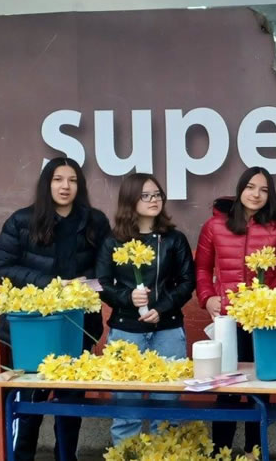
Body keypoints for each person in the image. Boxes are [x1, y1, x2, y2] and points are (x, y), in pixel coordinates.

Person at [0, 157, 110, 461]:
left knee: (70, 408)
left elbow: (106, 272)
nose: (65, 186)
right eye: (58, 179)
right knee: (27, 409)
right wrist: (52, 284)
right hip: (31, 333)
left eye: (72, 180)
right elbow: (0, 266)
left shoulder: (95, 222)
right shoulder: (22, 221)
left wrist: (89, 284)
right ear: (47, 183)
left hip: (77, 329)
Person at [195, 167, 276, 456]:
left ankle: (254, 452)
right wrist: (207, 298)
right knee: (226, 389)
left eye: (264, 190)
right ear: (240, 189)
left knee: (258, 391)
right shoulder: (214, 226)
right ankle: (221, 452)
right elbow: (202, 268)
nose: (256, 195)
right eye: (251, 187)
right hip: (226, 321)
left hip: (262, 322)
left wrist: (263, 301)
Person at [95, 173, 196, 444]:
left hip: (168, 328)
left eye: (157, 194)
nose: (154, 200)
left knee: (167, 408)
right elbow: (102, 284)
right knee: (126, 409)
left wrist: (161, 308)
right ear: (130, 200)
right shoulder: (113, 241)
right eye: (146, 195)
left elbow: (187, 282)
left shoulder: (174, 239)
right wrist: (128, 298)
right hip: (126, 330)